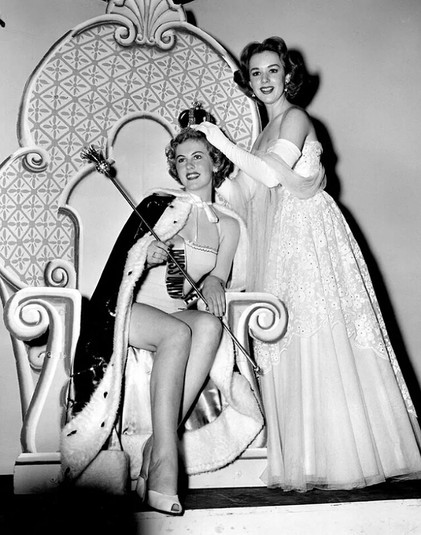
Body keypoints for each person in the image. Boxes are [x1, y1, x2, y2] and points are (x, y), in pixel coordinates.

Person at [195, 36, 421, 491]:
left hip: (310, 234)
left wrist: (220, 139)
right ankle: (311, 459)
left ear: (288, 75)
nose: (264, 80)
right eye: (255, 73)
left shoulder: (296, 118)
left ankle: (352, 459)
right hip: (281, 242)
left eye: (273, 70)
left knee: (325, 334)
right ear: (247, 81)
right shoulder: (261, 135)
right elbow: (243, 194)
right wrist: (207, 174)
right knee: (292, 341)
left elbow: (268, 174)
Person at [60, 116, 264, 513]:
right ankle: (165, 464)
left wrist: (215, 282)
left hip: (172, 314)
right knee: (177, 334)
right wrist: (145, 255)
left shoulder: (229, 225)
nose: (189, 165)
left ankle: (157, 443)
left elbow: (219, 275)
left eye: (198, 156)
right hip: (129, 310)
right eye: (181, 158)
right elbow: (122, 267)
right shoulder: (157, 205)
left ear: (216, 162)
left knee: (208, 326)